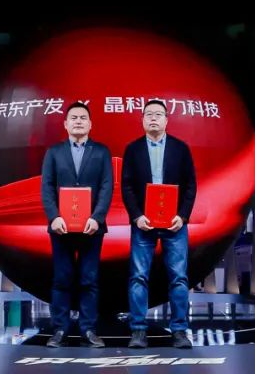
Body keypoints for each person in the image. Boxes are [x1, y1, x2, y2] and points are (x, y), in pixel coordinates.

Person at [121, 99, 197, 349]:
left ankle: (179, 331)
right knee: (138, 277)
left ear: (166, 119)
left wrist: (182, 216)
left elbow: (190, 185)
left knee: (179, 278)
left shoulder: (180, 148)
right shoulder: (133, 149)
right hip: (143, 223)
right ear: (142, 120)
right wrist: (136, 216)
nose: (153, 118)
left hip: (174, 224)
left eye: (158, 114)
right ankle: (138, 330)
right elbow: (127, 186)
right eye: (149, 114)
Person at [40, 102, 113, 348]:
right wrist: (54, 217)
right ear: (65, 124)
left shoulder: (101, 152)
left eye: (83, 117)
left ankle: (88, 330)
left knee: (89, 280)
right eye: (74, 117)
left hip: (91, 227)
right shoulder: (54, 152)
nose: (78, 121)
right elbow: (46, 187)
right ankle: (60, 329)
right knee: (61, 279)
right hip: (61, 227)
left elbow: (107, 186)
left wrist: (97, 217)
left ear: (90, 124)